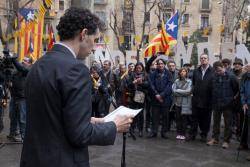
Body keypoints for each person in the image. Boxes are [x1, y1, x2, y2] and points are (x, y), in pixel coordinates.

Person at [20, 7, 133, 167]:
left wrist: (88, 120)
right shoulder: (76, 70)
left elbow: (51, 116)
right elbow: (80, 134)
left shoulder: (38, 65)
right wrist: (114, 126)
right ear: (84, 34)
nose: (94, 47)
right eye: (95, 39)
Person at [207, 61, 239, 149]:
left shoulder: (231, 77)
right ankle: (215, 138)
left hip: (228, 104)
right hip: (216, 103)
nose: (218, 72)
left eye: (219, 70)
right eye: (216, 71)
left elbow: (236, 89)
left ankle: (226, 141)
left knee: (228, 123)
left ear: (223, 67)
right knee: (216, 122)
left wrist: (231, 100)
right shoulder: (214, 77)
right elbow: (211, 89)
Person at [7, 56, 32, 142]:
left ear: (29, 64)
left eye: (25, 61)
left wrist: (13, 60)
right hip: (14, 97)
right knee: (12, 116)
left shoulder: (28, 70)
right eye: (23, 60)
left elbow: (21, 68)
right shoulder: (17, 71)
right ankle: (12, 134)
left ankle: (24, 137)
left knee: (22, 118)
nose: (23, 62)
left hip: (23, 99)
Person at [190, 53, 213, 142]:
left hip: (208, 100)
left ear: (208, 60)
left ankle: (204, 134)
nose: (203, 59)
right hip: (196, 99)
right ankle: (193, 134)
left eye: (205, 58)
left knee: (206, 118)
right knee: (195, 118)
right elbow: (193, 83)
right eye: (202, 58)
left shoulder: (213, 71)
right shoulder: (196, 71)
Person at [148, 59, 172, 139]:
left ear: (164, 64)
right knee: (154, 116)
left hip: (165, 99)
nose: (160, 65)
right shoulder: (153, 73)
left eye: (162, 64)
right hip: (155, 98)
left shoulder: (168, 73)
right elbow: (151, 85)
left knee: (165, 117)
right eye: (158, 64)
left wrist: (162, 95)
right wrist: (156, 94)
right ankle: (154, 132)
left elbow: (169, 86)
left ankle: (164, 132)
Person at [127, 62, 148, 137]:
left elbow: (148, 85)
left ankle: (140, 130)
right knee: (133, 114)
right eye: (137, 68)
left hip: (141, 96)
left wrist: (141, 83)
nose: (138, 69)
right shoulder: (132, 75)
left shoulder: (145, 75)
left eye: (140, 68)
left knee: (141, 114)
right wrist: (133, 82)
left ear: (142, 68)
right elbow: (128, 85)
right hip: (133, 96)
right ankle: (131, 129)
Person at [172, 68, 192, 140]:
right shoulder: (176, 81)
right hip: (177, 103)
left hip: (185, 103)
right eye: (181, 71)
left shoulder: (189, 81)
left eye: (184, 71)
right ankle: (178, 133)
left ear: (186, 73)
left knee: (184, 119)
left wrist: (178, 91)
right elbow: (173, 91)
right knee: (178, 119)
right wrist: (182, 91)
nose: (183, 73)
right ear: (179, 73)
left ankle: (183, 134)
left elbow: (189, 91)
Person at [240, 64, 250, 161]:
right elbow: (242, 91)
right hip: (246, 105)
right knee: (245, 127)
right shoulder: (245, 77)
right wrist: (243, 103)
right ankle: (244, 144)